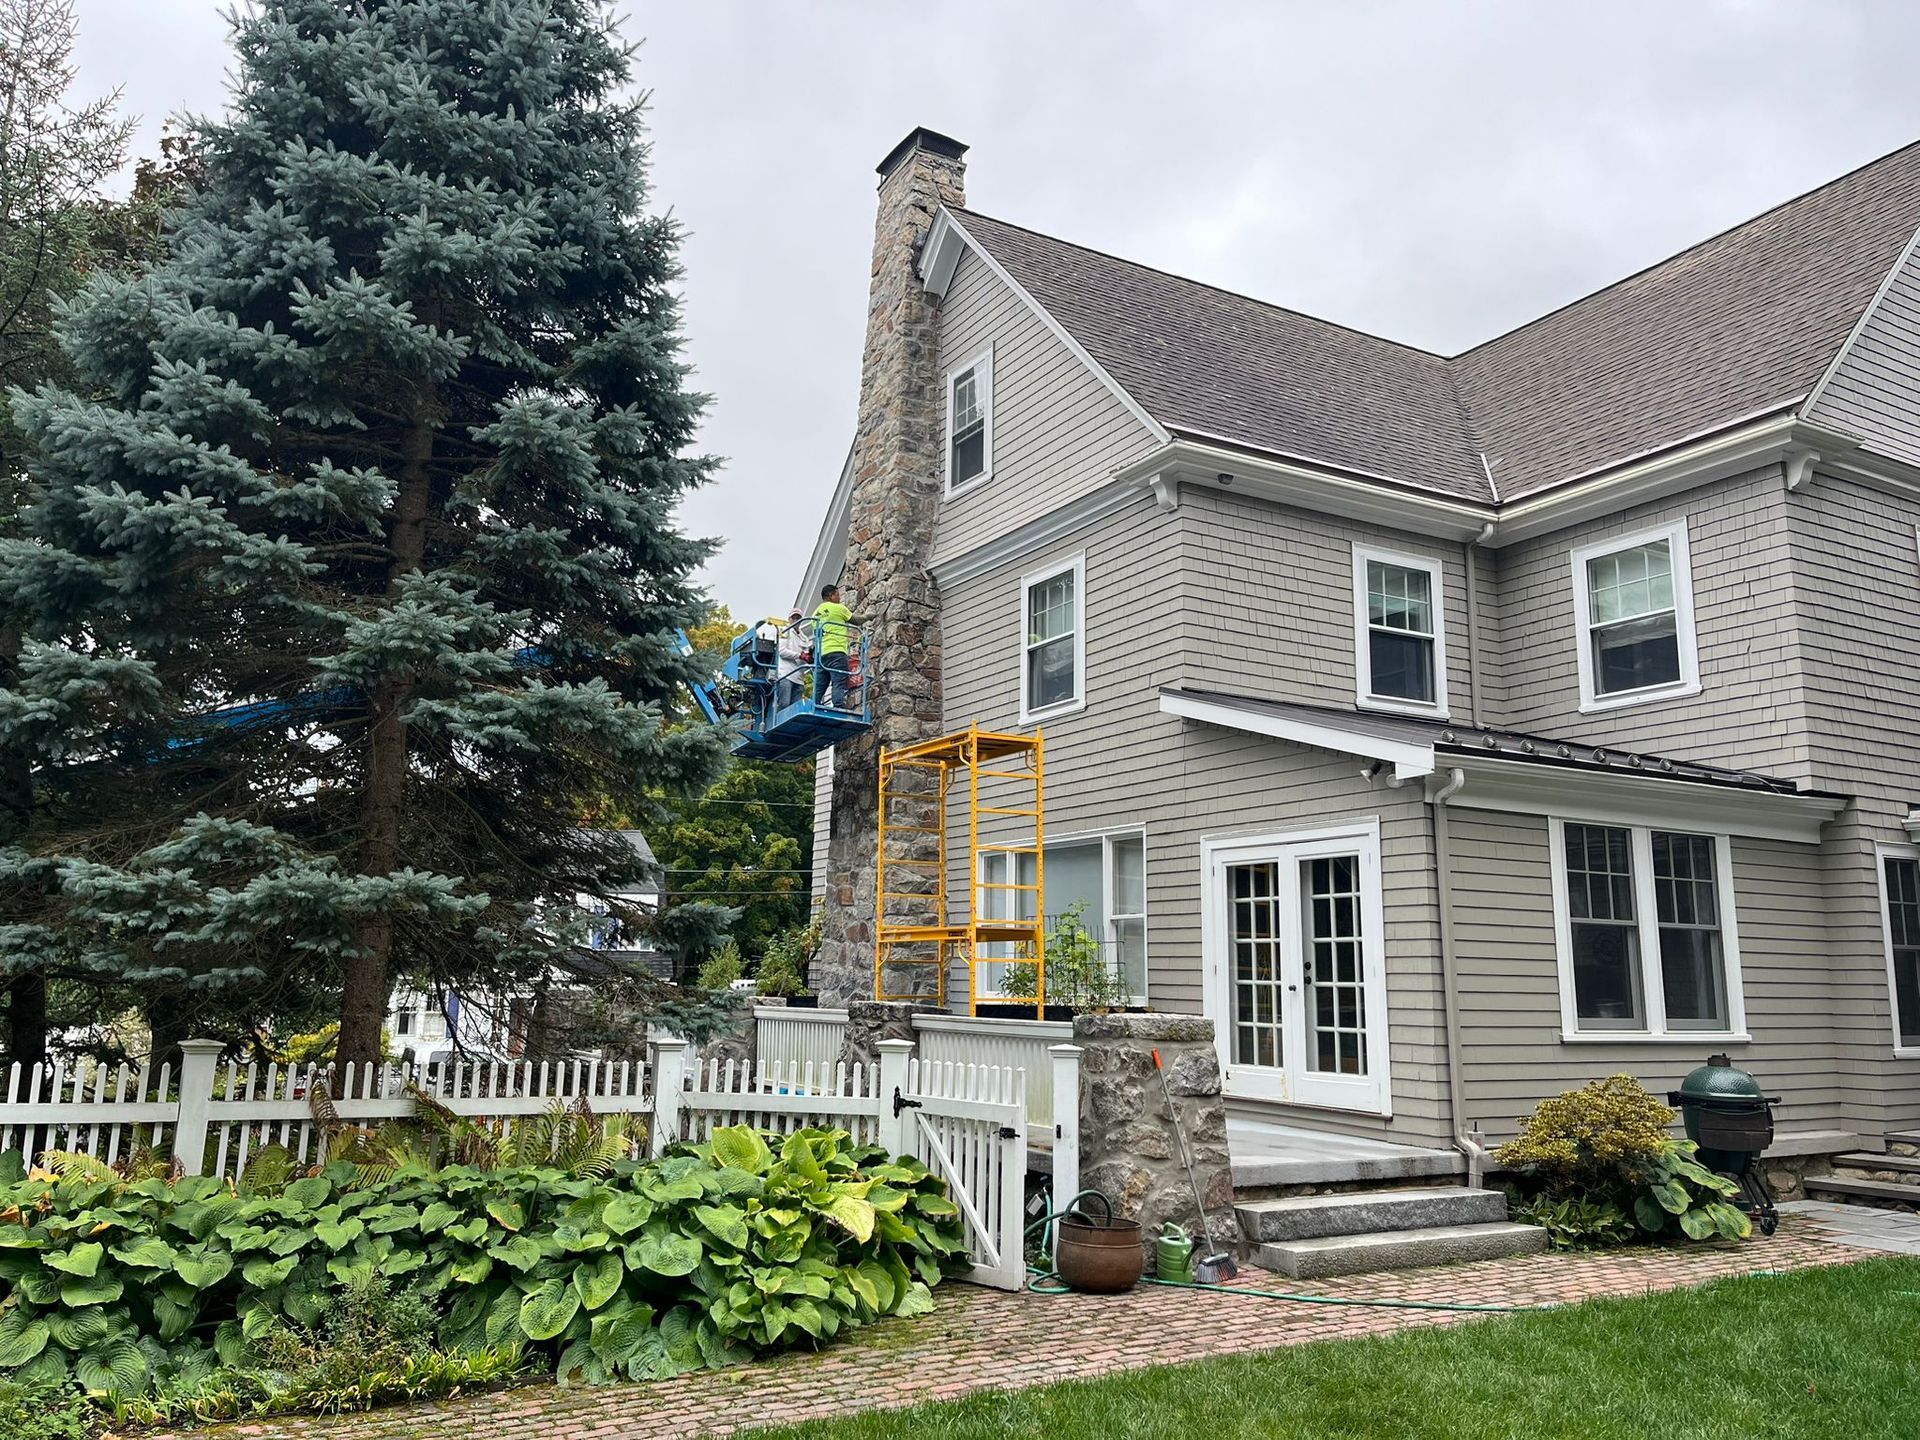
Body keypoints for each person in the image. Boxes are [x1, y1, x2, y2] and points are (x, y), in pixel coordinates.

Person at [812, 584, 855, 710]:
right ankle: (838, 707)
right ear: (830, 596)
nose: (839, 598)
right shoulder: (838, 608)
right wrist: (869, 616)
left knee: (820, 685)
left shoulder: (815, 614)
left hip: (822, 654)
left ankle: (815, 706)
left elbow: (816, 632)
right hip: (837, 651)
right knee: (839, 681)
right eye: (837, 595)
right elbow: (856, 620)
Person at [775, 608, 809, 711]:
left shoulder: (805, 638)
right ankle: (778, 724)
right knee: (784, 704)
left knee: (795, 709)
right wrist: (799, 655)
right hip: (786, 674)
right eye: (793, 618)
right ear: (789, 619)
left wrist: (808, 658)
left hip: (799, 678)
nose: (796, 620)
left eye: (798, 618)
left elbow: (806, 656)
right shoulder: (785, 632)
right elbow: (781, 651)